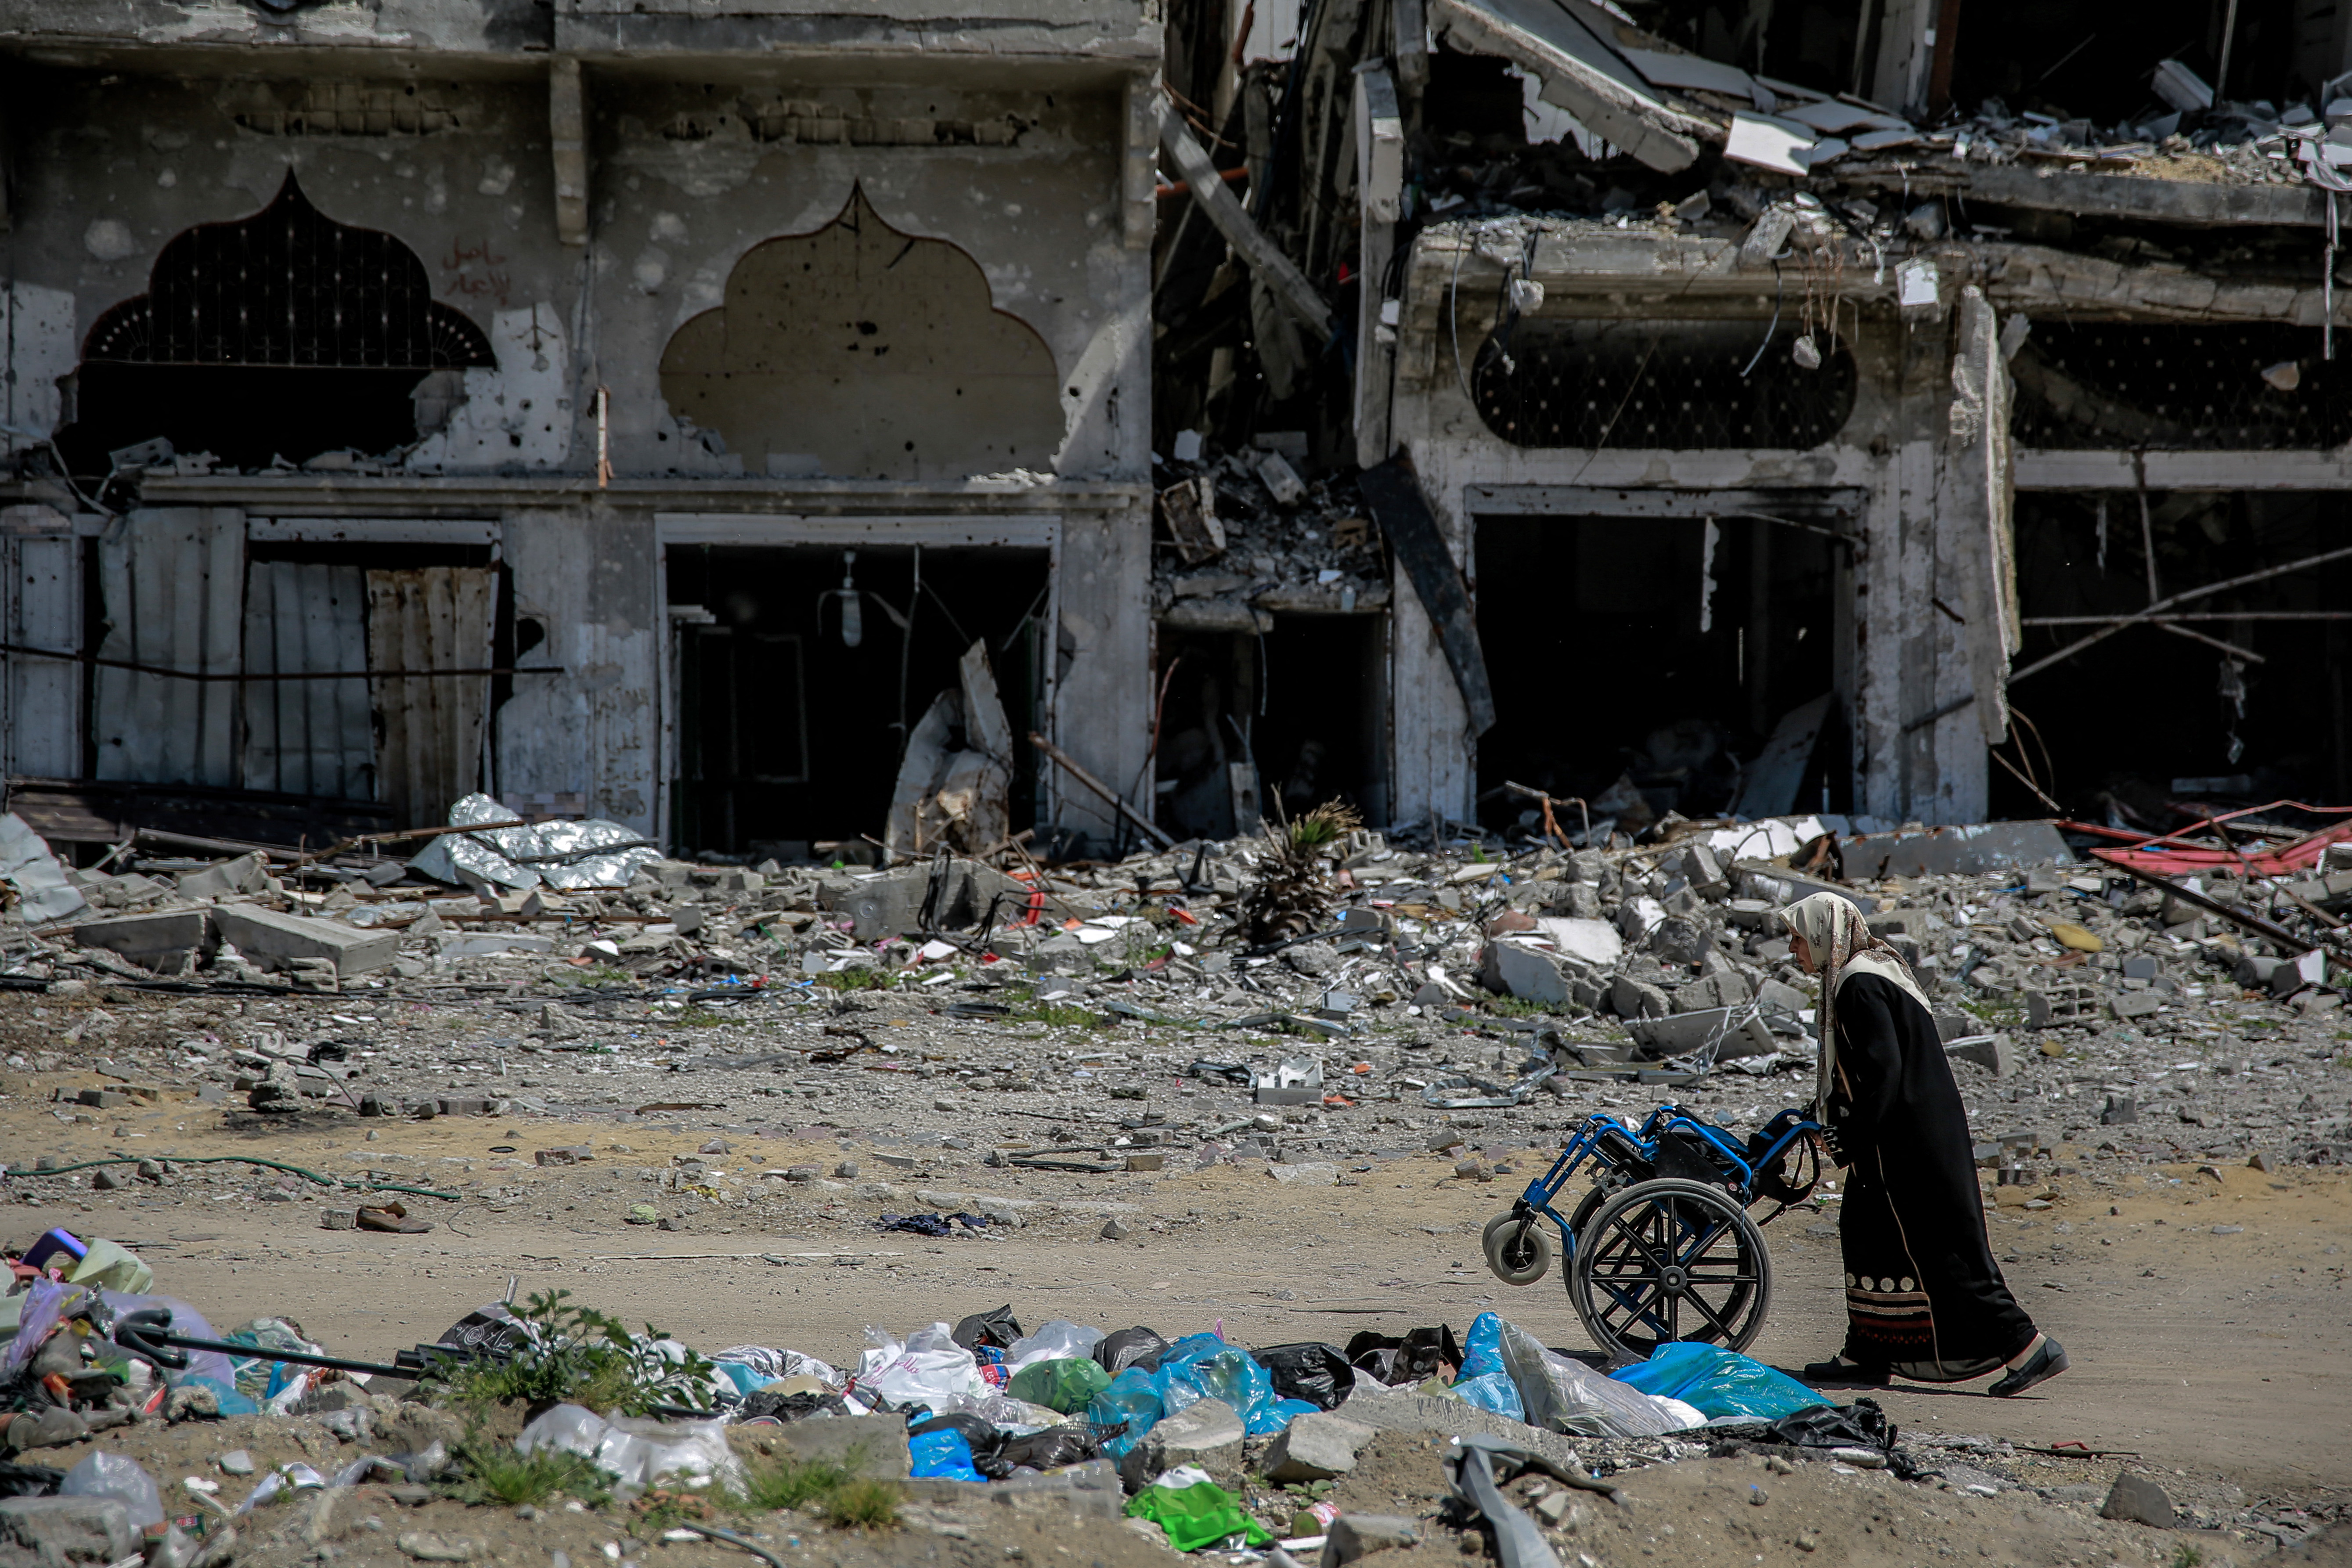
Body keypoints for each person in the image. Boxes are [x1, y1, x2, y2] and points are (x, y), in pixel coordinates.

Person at [1780, 891, 2068, 1396]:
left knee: (1946, 1249)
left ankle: (2027, 1346)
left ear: (1824, 937)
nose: (1792, 950)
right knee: (1870, 1232)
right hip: (1914, 1132)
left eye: (1798, 939)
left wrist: (1848, 1135)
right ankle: (1867, 1351)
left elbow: (1884, 1073)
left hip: (1907, 1143)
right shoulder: (1875, 969)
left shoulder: (1857, 986)